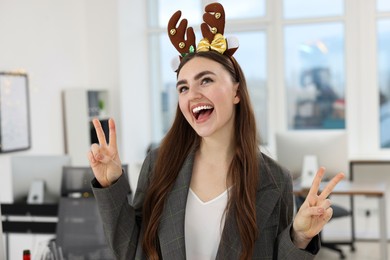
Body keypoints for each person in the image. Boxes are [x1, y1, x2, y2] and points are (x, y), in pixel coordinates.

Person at [88, 3, 344, 260]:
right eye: (183, 88)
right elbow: (131, 251)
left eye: (206, 80)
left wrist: (299, 237)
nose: (193, 95)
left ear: (235, 91)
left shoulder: (275, 179)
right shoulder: (159, 165)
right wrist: (110, 184)